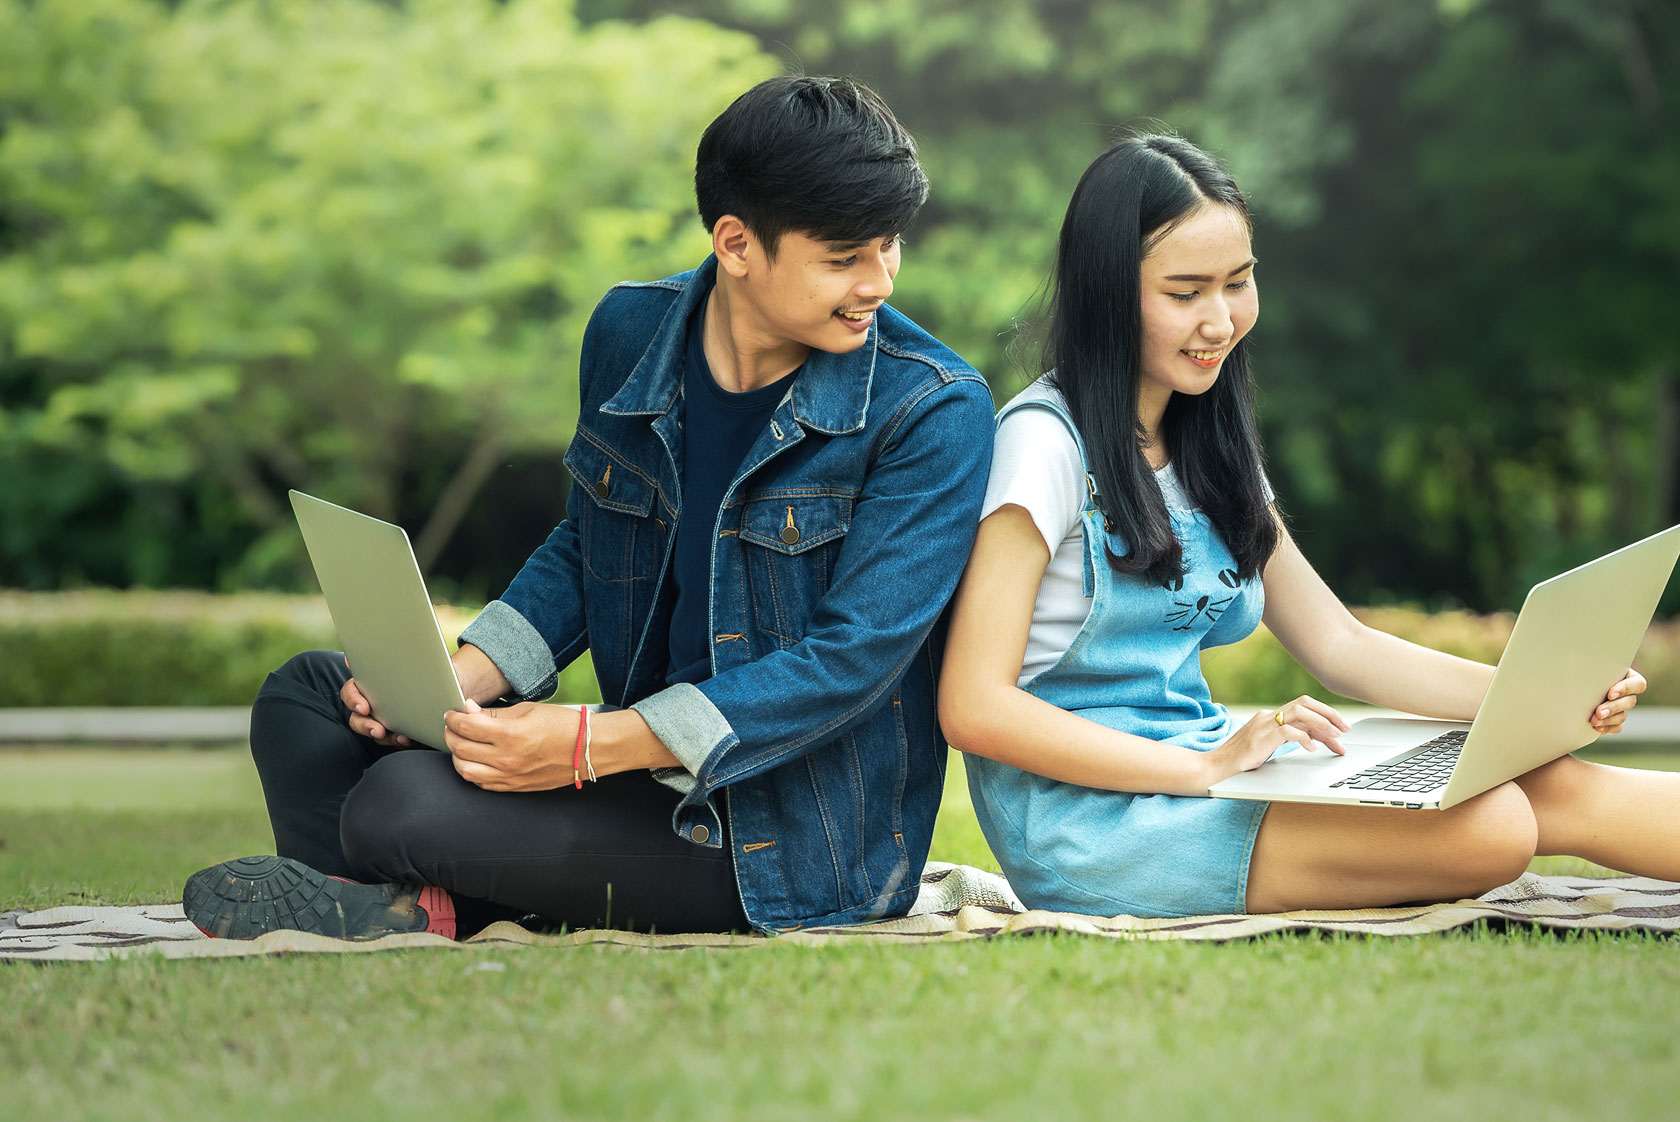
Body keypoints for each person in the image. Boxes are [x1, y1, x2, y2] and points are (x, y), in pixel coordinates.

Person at [183, 75, 995, 940]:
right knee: (310, 696)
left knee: (397, 802)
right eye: (844, 257)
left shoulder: (931, 409)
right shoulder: (629, 334)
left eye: (889, 246)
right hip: (631, 773)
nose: (879, 282)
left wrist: (588, 746)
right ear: (735, 243)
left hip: (780, 834)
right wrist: (462, 680)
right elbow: (586, 544)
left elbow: (851, 663)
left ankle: (405, 893)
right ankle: (409, 905)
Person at [938, 132, 1678, 919]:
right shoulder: (1043, 445)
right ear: (1105, 294)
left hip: (1206, 762)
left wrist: (1539, 702)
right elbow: (973, 706)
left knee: (1548, 778)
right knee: (1493, 827)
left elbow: (1341, 646)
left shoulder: (1205, 441)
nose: (1220, 321)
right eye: (1185, 293)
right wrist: (1204, 769)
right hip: (1092, 819)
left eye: (1239, 282)